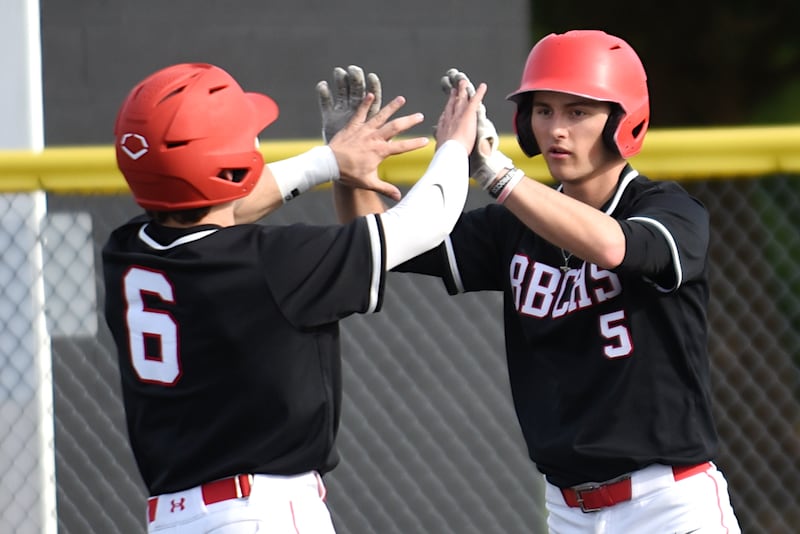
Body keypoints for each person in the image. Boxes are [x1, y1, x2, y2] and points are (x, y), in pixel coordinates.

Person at [330, 31, 741, 533]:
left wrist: (498, 175)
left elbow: (614, 247)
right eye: (543, 111)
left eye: (577, 112)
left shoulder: (671, 210)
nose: (556, 130)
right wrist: (349, 173)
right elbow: (381, 245)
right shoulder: (513, 226)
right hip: (568, 511)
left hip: (668, 505)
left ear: (624, 121)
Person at [102, 61, 486, 533]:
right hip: (259, 513)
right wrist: (455, 145)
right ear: (229, 161)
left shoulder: (126, 250)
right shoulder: (271, 261)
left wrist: (331, 160)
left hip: (172, 519)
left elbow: (226, 203)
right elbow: (426, 221)